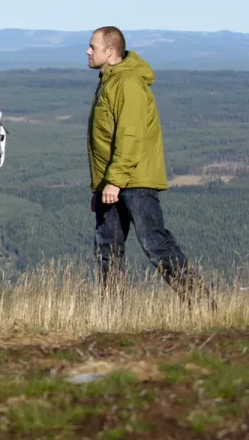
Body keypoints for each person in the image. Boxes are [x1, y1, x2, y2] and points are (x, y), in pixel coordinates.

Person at [86, 26, 205, 301]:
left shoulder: (127, 83)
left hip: (133, 180)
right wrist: (101, 186)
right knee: (107, 249)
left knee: (155, 244)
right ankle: (112, 314)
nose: (88, 51)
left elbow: (130, 135)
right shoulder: (110, 80)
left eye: (93, 47)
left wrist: (114, 180)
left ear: (111, 51)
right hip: (113, 182)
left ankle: (199, 302)